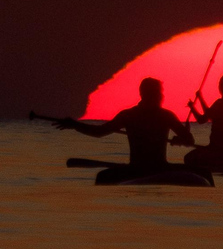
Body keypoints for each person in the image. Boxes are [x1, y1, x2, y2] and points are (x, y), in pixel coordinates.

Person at [54, 77, 205, 184]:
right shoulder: (165, 116)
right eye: (159, 92)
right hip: (159, 168)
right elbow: (189, 140)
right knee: (204, 174)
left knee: (102, 177)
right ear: (152, 95)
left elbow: (98, 132)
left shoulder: (129, 115)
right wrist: (180, 139)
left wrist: (75, 125)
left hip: (137, 168)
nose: (161, 95)